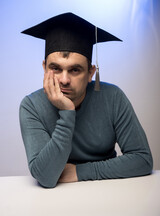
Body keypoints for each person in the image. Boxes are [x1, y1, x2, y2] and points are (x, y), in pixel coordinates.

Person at [19, 12, 153, 188]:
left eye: (75, 70)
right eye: (56, 68)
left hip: (107, 191)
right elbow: (45, 177)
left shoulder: (113, 97)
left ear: (91, 73)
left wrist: (79, 172)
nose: (64, 80)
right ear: (45, 68)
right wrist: (67, 112)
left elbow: (142, 159)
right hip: (53, 202)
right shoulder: (31, 106)